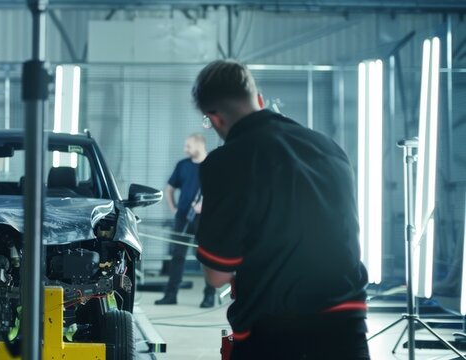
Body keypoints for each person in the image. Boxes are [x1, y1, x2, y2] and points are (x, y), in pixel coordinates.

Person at [192, 60, 369, 359]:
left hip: (275, 333)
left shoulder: (227, 162)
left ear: (214, 117)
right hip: (347, 325)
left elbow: (217, 275)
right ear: (258, 98)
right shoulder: (328, 147)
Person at [155, 134, 217, 308]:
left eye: (188, 146)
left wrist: (205, 204)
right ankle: (170, 295)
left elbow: (223, 192)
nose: (185, 149)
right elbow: (169, 189)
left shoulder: (213, 165)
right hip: (183, 217)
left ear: (199, 145)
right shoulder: (182, 165)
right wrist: (175, 209)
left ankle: (209, 296)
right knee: (177, 256)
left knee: (208, 258)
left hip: (206, 218)